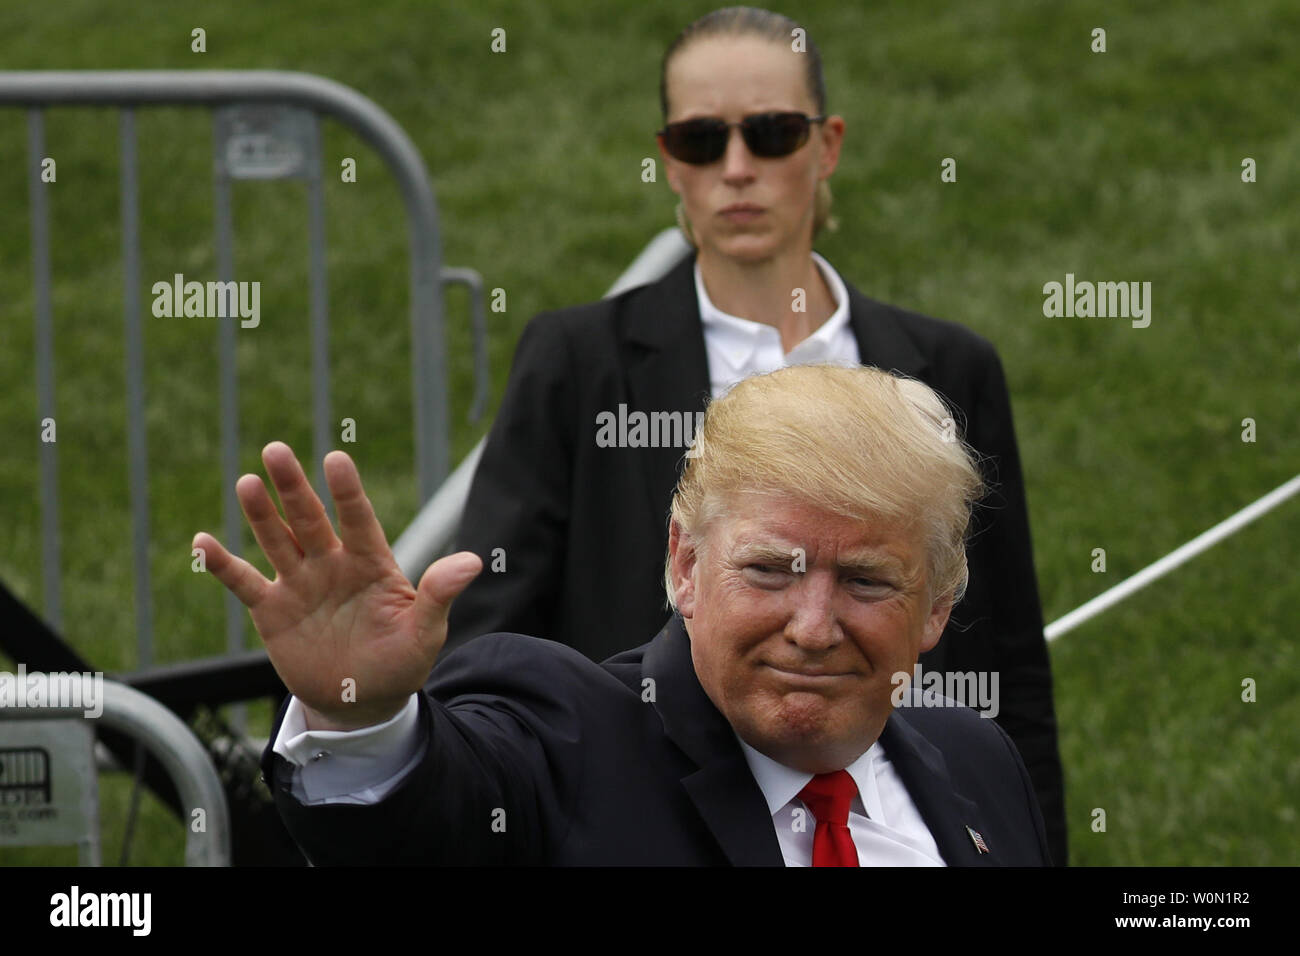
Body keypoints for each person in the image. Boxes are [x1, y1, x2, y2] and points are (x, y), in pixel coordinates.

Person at [446, 7, 1068, 862]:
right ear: (669, 160)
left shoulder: (946, 363)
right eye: (702, 141)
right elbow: (495, 608)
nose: (737, 169)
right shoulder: (580, 359)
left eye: (772, 134)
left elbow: (1006, 657)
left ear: (829, 145)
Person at [195, 364, 1050, 865]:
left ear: (937, 606)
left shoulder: (979, 766)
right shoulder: (568, 738)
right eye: (769, 571)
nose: (814, 625)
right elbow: (424, 827)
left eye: (866, 582)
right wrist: (362, 715)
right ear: (684, 564)